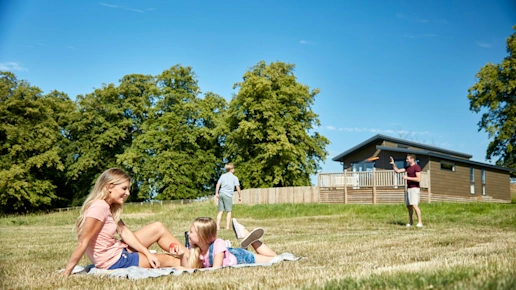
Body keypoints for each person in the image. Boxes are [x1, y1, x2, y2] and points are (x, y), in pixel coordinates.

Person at [63, 168, 184, 276]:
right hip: (115, 261)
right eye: (124, 188)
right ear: (109, 187)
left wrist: (147, 253)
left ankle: (191, 255)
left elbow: (125, 232)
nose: (128, 193)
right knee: (170, 260)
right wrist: (66, 273)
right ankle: (193, 260)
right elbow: (83, 243)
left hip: (119, 251)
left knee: (158, 227)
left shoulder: (108, 207)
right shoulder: (99, 207)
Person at [170, 217, 279, 269]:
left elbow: (216, 268)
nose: (188, 234)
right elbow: (190, 269)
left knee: (276, 258)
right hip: (232, 255)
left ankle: (246, 234)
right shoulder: (194, 248)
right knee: (274, 258)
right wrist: (182, 257)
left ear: (202, 236)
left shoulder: (218, 244)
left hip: (241, 257)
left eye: (191, 232)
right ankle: (246, 236)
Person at [390, 154, 423, 227]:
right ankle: (411, 222)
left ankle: (420, 222)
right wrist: (393, 164)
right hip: (408, 189)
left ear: (412, 159)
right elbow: (397, 171)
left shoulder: (416, 167)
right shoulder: (408, 168)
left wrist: (407, 178)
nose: (406, 160)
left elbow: (418, 179)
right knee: (409, 206)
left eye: (407, 159)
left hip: (414, 189)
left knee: (414, 205)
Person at [215, 163, 242, 230]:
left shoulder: (222, 176)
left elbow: (218, 184)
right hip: (228, 195)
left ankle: (217, 226)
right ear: (231, 169)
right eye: (233, 168)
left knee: (220, 211)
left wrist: (216, 193)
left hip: (221, 193)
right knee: (229, 211)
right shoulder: (234, 178)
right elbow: (237, 187)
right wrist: (240, 196)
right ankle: (227, 227)